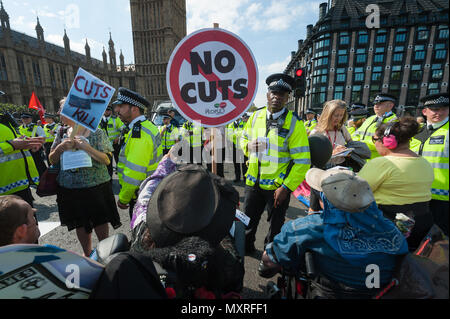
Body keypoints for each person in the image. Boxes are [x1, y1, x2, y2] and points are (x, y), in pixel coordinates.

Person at [259, 167, 409, 298]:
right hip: (379, 293)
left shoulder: (308, 227)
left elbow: (271, 260)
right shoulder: (391, 230)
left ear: (325, 200)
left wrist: (267, 261)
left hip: (328, 291)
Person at [127, 160, 244, 299]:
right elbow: (235, 281)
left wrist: (165, 163)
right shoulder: (222, 260)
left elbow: (146, 194)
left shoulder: (142, 237)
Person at [240, 73, 310, 254]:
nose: (276, 97)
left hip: (277, 187)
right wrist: (247, 146)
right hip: (253, 183)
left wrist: (286, 187)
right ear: (267, 94)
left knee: (275, 227)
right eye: (273, 92)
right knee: (246, 221)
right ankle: (246, 249)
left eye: (282, 94)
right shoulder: (255, 117)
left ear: (288, 98)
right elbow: (243, 138)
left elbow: (302, 161)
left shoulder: (295, 124)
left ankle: (269, 257)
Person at [49, 98, 122, 257]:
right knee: (80, 223)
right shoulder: (61, 132)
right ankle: (87, 254)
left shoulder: (96, 132)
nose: (59, 113)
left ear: (73, 112)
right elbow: (51, 159)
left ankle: (105, 254)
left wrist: (86, 147)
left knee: (100, 222)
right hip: (70, 188)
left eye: (62, 110)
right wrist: (61, 148)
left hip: (96, 186)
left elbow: (106, 160)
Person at [358, 117, 434, 250]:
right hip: (419, 228)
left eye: (374, 139)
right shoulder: (424, 163)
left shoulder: (382, 163)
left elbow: (356, 191)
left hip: (388, 227)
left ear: (388, 141)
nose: (374, 144)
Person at [114, 87, 163, 219]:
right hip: (150, 190)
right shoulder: (147, 126)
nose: (117, 110)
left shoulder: (140, 133)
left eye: (121, 106)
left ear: (134, 109)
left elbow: (134, 172)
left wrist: (124, 198)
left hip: (141, 194)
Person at [410, 93, 449, 236]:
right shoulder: (416, 131)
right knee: (416, 235)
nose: (439, 112)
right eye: (434, 109)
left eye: (443, 108)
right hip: (417, 195)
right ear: (424, 111)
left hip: (443, 199)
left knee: (441, 240)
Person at [1, 91, 43, 206]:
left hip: (21, 183)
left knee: (30, 222)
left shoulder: (4, 119)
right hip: (4, 190)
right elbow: (10, 144)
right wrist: (12, 145)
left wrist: (27, 144)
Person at [353, 93, 398, 159]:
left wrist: (360, 145)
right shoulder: (370, 119)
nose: (376, 106)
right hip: (362, 159)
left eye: (380, 104)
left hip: (379, 160)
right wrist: (357, 144)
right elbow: (356, 134)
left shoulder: (394, 121)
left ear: (390, 106)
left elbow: (385, 143)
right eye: (375, 104)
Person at [311, 99, 353, 167]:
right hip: (322, 169)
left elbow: (351, 143)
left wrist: (347, 150)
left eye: (341, 115)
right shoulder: (317, 132)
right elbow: (313, 156)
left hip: (341, 166)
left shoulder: (342, 128)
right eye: (336, 115)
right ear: (327, 114)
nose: (339, 118)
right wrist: (333, 153)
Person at [19, 112, 47, 176]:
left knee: (39, 167)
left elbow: (43, 138)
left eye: (27, 118)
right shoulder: (19, 128)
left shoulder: (36, 127)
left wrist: (31, 139)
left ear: (31, 119)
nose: (25, 120)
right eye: (23, 118)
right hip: (23, 151)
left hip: (34, 150)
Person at [100, 105, 124, 173]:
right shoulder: (99, 120)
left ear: (111, 111)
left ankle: (120, 174)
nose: (106, 111)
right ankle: (109, 179)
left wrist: (118, 137)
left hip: (115, 144)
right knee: (108, 163)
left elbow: (123, 129)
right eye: (105, 110)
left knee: (118, 161)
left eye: (108, 110)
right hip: (105, 145)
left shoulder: (116, 119)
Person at [226, 115, 247, 183]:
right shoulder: (231, 124)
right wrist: (240, 133)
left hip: (243, 147)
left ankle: (245, 178)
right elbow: (229, 135)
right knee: (236, 164)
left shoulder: (245, 123)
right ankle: (237, 177)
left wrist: (235, 133)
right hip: (234, 147)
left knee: (244, 164)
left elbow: (246, 133)